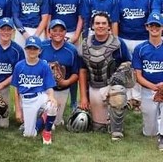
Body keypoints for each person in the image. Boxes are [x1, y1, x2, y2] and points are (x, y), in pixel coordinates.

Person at [78, 12, 131, 141]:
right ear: (92, 26)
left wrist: (118, 77)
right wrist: (84, 97)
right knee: (98, 127)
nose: (100, 26)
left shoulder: (118, 44)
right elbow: (82, 71)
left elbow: (128, 64)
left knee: (117, 92)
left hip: (112, 87)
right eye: (97, 23)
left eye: (103, 23)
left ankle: (117, 130)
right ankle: (104, 120)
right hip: (94, 86)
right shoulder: (85, 44)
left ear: (109, 26)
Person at [115, 0, 153, 113]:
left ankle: (137, 99)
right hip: (124, 38)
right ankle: (124, 99)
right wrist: (117, 39)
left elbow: (152, 21)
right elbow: (116, 21)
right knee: (125, 69)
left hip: (142, 39)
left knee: (139, 70)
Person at [48, 0, 84, 111]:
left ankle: (74, 101)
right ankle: (50, 96)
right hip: (56, 32)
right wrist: (49, 34)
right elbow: (48, 16)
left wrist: (76, 36)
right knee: (54, 67)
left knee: (72, 68)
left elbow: (81, 17)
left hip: (72, 32)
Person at [11, 36, 57, 144]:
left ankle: (47, 131)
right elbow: (16, 89)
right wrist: (18, 110)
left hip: (40, 96)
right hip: (26, 100)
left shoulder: (44, 65)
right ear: (25, 49)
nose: (32, 51)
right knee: (29, 135)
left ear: (40, 50)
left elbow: (49, 85)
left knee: (52, 106)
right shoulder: (19, 66)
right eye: (29, 48)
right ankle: (42, 119)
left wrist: (51, 96)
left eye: (35, 48)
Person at [132, 11, 163, 151]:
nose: (154, 28)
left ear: (162, 27)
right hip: (147, 90)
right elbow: (138, 76)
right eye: (152, 26)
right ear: (147, 27)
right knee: (150, 132)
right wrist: (154, 87)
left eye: (157, 25)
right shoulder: (140, 49)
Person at [40, 19, 79, 128]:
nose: (58, 33)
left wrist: (66, 82)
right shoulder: (41, 47)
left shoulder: (71, 50)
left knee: (55, 122)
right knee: (44, 119)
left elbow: (76, 73)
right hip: (43, 89)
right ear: (49, 32)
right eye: (55, 30)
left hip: (61, 89)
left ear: (65, 32)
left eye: (61, 30)